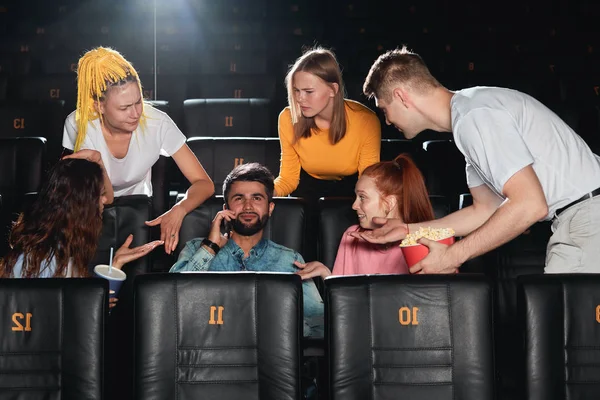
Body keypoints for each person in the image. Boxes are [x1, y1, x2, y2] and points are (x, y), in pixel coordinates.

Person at [353, 46, 600, 275]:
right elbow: (485, 210)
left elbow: (530, 205)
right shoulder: (469, 114)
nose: (386, 121)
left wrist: (453, 256)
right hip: (585, 214)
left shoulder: (474, 117)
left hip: (587, 218)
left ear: (402, 97)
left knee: (564, 320)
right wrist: (411, 230)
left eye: (384, 109)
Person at [62, 47, 214, 255]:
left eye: (138, 102)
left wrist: (180, 209)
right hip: (91, 208)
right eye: (124, 108)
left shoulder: (157, 122)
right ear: (98, 106)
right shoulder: (77, 124)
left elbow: (204, 183)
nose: (135, 114)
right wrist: (97, 162)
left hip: (139, 210)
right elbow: (99, 196)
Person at [170, 163, 324, 337]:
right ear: (225, 208)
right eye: (239, 198)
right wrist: (211, 247)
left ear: (270, 208)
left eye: (257, 198)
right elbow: (170, 303)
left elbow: (319, 326)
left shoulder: (289, 260)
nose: (248, 206)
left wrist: (276, 324)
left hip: (269, 360)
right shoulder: (196, 249)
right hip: (209, 358)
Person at [0, 159, 163, 305]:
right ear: (82, 205)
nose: (105, 201)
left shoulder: (59, 247)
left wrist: (116, 265)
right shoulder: (44, 260)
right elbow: (49, 322)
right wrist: (91, 305)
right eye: (100, 195)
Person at [294, 154, 436, 280]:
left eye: (362, 197)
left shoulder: (425, 242)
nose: (354, 205)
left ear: (389, 203)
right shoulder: (352, 236)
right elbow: (345, 301)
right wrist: (328, 277)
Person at [274, 47, 381, 201]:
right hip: (307, 191)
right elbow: (287, 179)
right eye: (296, 91)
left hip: (352, 192)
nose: (300, 98)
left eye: (308, 91)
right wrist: (262, 194)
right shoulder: (287, 118)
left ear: (333, 89)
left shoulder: (365, 121)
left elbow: (368, 183)